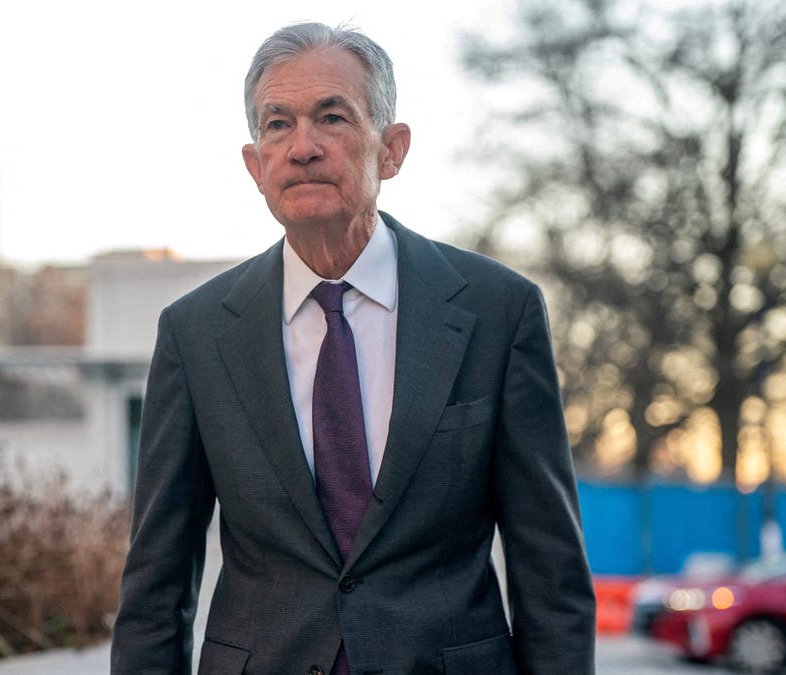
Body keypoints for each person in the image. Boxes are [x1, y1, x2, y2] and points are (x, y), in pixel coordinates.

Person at [111, 22, 596, 675]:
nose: (302, 147)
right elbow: (156, 584)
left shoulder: (497, 312)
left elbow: (552, 571)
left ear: (391, 150)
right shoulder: (195, 333)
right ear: (255, 165)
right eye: (276, 124)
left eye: (331, 117)